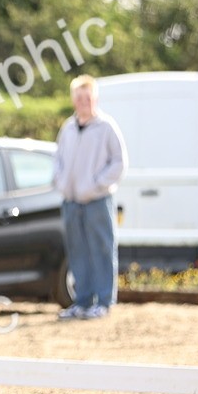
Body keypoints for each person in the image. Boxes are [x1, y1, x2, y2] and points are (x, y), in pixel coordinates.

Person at [53, 74, 128, 320]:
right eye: (79, 97)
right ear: (73, 100)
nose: (83, 102)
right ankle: (82, 301)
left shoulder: (106, 127)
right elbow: (58, 160)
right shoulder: (68, 128)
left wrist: (96, 185)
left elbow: (119, 162)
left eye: (88, 97)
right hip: (72, 202)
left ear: (95, 99)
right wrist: (62, 184)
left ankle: (104, 301)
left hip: (97, 201)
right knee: (77, 252)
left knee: (102, 249)